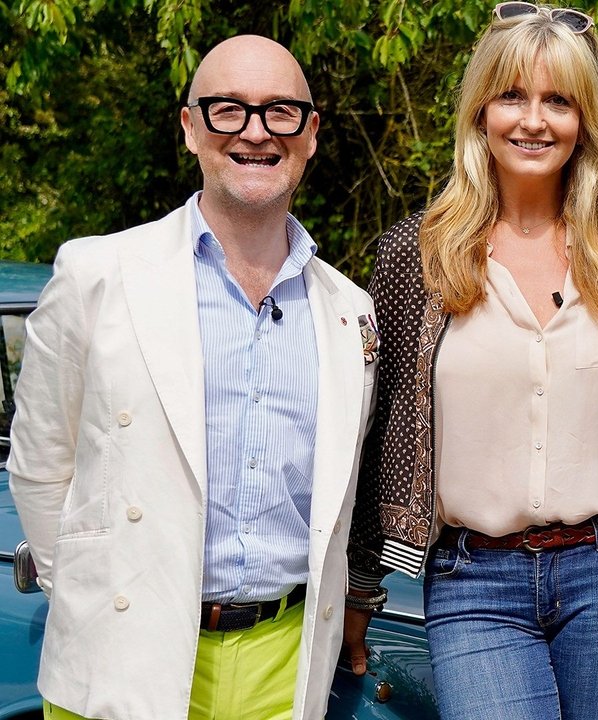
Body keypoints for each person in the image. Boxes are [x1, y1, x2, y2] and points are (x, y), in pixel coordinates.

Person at [7, 35, 378, 720]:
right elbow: (38, 465)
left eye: (281, 111)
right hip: (122, 659)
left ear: (311, 133)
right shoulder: (98, 275)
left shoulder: (349, 311)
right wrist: (90, 601)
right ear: (189, 127)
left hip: (285, 665)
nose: (256, 132)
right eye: (227, 109)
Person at [342, 4, 598, 719]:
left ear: (586, 119)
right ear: (481, 110)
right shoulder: (416, 255)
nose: (534, 121)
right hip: (472, 581)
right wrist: (360, 586)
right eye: (512, 96)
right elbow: (375, 432)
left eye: (558, 100)